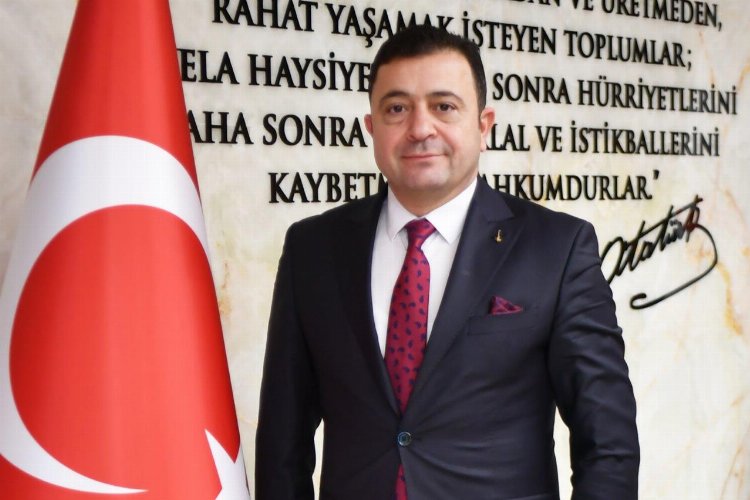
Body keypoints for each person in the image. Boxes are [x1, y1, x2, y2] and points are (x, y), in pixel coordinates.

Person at [255, 24, 639, 500]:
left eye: (444, 106)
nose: (420, 129)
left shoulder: (557, 248)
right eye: (397, 109)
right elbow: (282, 442)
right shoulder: (312, 248)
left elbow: (608, 442)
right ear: (372, 128)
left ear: (483, 125)